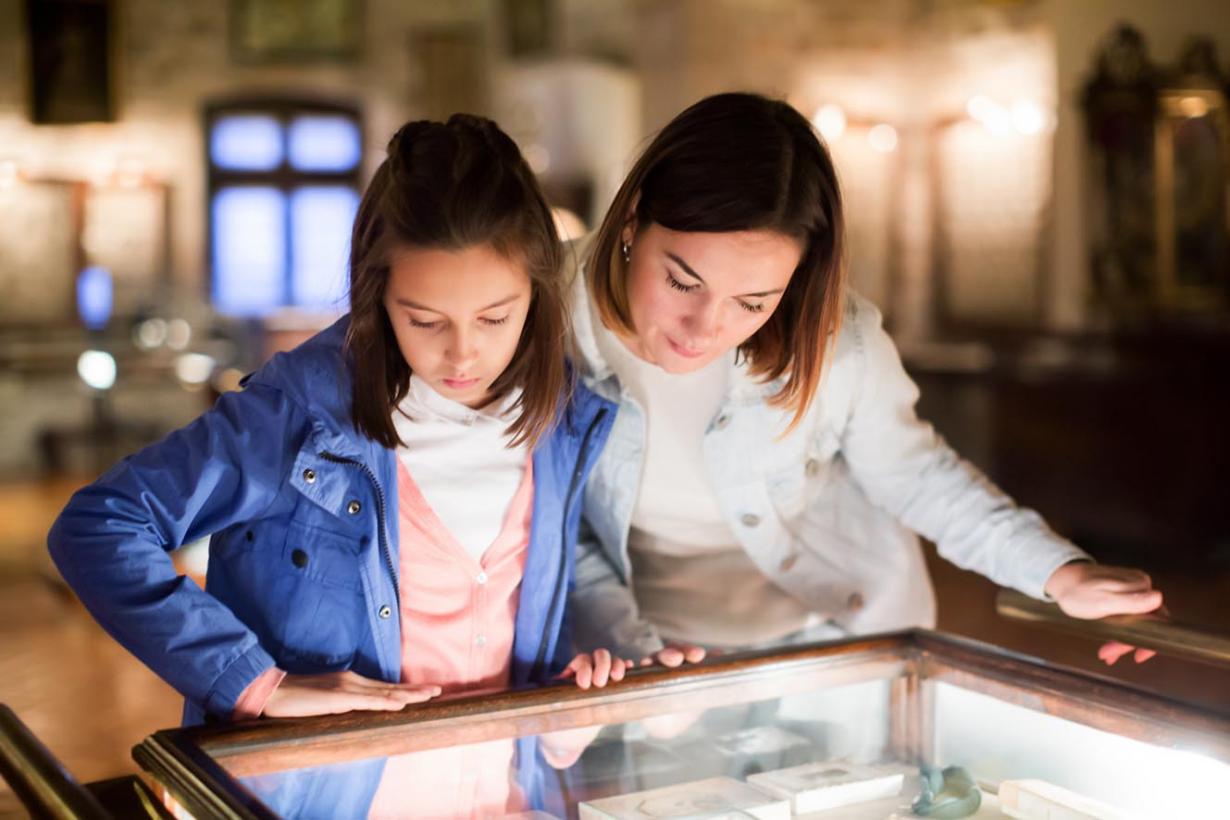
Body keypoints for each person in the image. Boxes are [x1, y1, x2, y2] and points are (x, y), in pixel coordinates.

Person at [48, 114, 620, 816]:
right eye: (425, 320)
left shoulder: (568, 415)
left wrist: (570, 704)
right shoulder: (303, 410)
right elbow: (99, 525)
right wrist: (256, 682)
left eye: (495, 318)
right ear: (378, 295)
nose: (462, 355)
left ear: (538, 291)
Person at [565, 92, 1163, 679]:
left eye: (752, 302)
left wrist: (1060, 574)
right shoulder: (541, 314)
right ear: (634, 214)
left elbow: (913, 474)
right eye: (681, 282)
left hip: (836, 639)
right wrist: (628, 648)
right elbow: (548, 525)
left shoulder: (833, 337)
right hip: (649, 653)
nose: (705, 328)